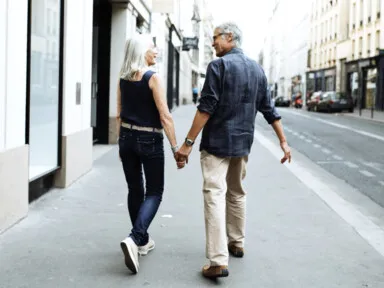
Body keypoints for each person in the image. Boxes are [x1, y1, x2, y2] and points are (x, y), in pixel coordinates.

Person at [175, 22, 292, 278]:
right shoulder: (257, 70)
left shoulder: (219, 66)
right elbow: (269, 110)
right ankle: (237, 242)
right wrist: (283, 141)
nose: (212, 42)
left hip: (217, 143)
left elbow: (206, 107)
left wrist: (187, 144)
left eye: (215, 38)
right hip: (242, 143)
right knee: (237, 192)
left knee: (214, 195)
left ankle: (218, 260)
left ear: (230, 37)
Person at [116, 35, 179, 274]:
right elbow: (165, 117)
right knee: (154, 191)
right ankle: (135, 238)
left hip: (127, 138)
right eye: (153, 47)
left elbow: (119, 114)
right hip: (149, 138)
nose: (156, 51)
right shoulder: (153, 78)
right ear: (142, 51)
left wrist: (121, 145)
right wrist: (176, 149)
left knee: (135, 189)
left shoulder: (122, 79)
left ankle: (141, 242)